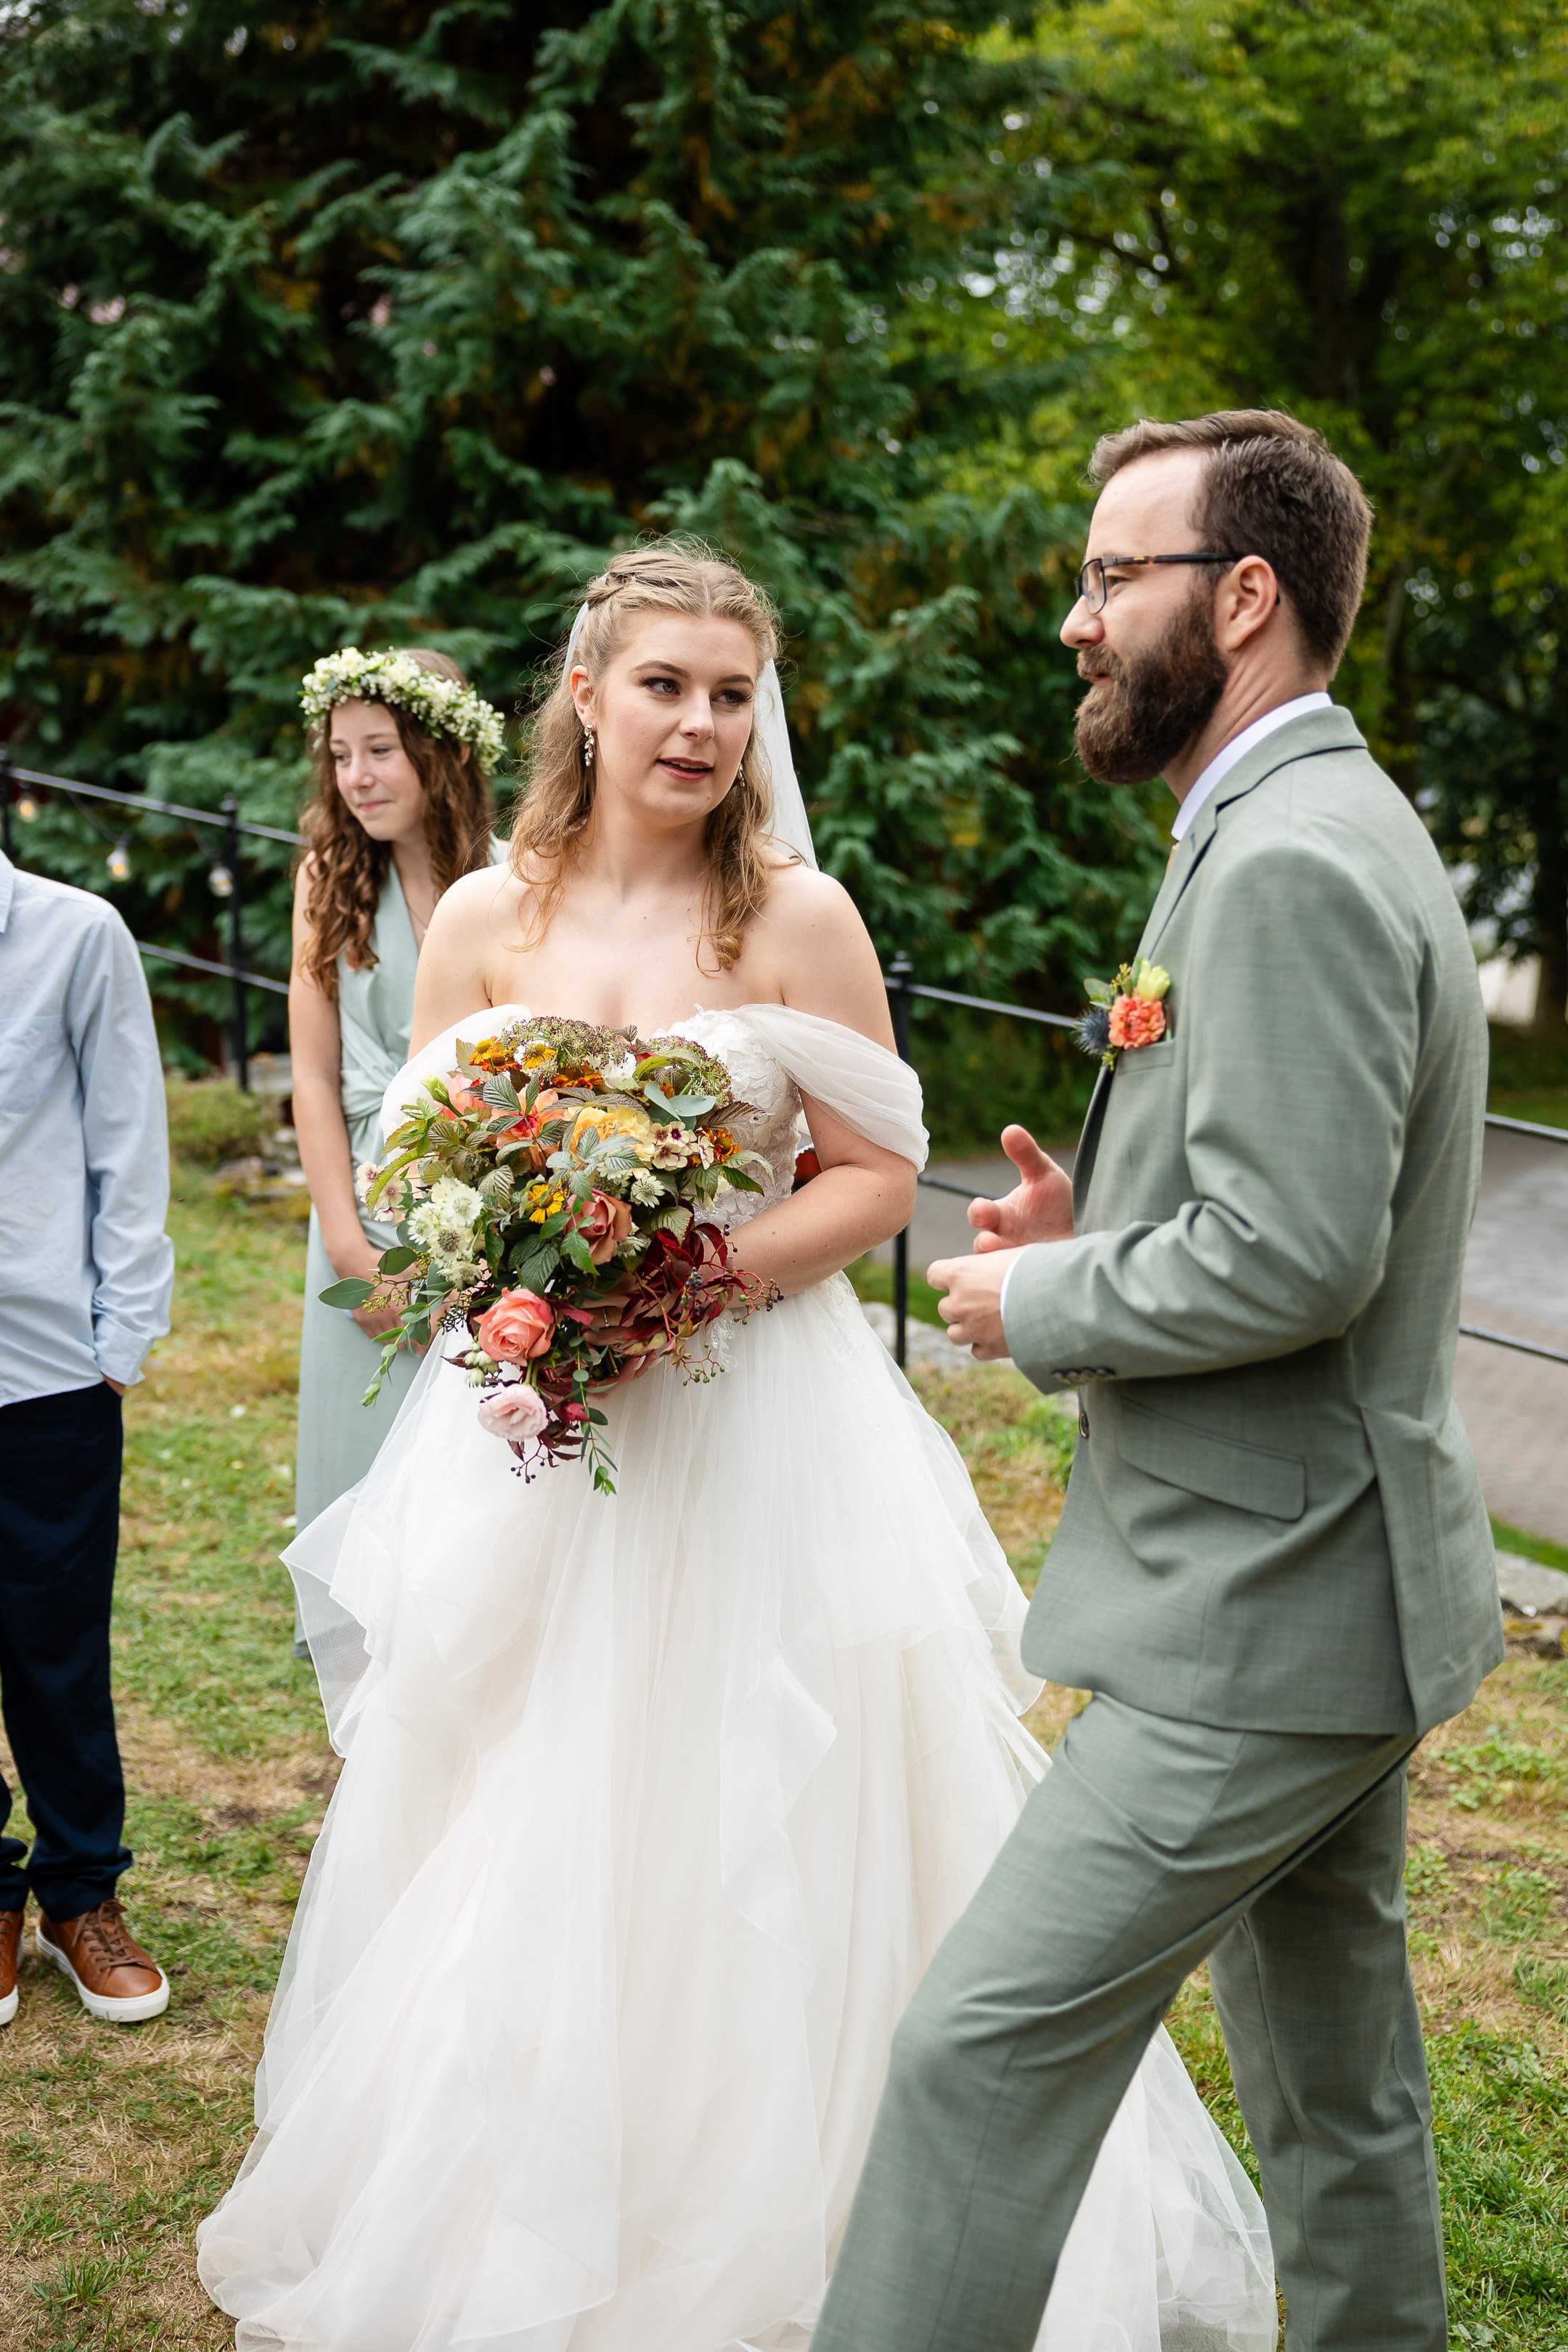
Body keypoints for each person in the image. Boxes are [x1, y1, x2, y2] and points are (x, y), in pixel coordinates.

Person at [196, 542, 1275, 2351]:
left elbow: (876, 1177)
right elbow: (423, 1167)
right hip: (542, 1442)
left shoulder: (796, 919)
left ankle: (806, 2209)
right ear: (585, 696)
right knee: (528, 1790)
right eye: (665, 687)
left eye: (730, 695)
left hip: (756, 1419)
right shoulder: (484, 921)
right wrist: (517, 1289)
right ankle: (525, 2191)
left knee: (772, 1793)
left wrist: (688, 1276)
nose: (699, 724)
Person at [813, 412, 1503, 2352]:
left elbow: (1298, 1254)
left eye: (1114, 575)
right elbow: (1290, 1196)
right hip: (1334, 1593)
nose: (1078, 620)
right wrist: (1098, 1230)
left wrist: (1041, 1301)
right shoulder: (1300, 819)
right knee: (1338, 2091)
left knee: (976, 2052)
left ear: (1246, 595)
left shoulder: (1286, 858)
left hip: (1260, 1620)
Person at [289, 646, 500, 1647]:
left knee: (479, 1476)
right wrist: (346, 1244)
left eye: (380, 750)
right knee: (365, 1462)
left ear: (442, 752)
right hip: (358, 1207)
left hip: (481, 1205)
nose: (357, 777)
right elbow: (313, 1077)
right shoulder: (329, 880)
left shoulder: (513, 880)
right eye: (340, 755)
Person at [0, 844, 174, 2028]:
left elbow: (127, 1137)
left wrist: (121, 1341)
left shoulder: (76, 935)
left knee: (56, 1645)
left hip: (46, 1363)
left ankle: (80, 1895)